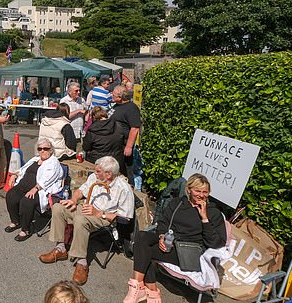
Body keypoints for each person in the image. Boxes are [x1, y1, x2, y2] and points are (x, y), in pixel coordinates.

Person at [122, 174, 226, 303]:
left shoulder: (213, 213)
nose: (201, 195)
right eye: (197, 191)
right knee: (142, 236)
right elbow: (163, 222)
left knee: (144, 251)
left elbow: (217, 243)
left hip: (190, 253)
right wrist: (161, 236)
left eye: (205, 192)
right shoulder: (178, 203)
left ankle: (143, 291)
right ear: (189, 190)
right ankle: (145, 290)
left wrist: (204, 219)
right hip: (171, 242)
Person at [39, 156, 134, 286]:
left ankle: (81, 262)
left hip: (103, 217)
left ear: (109, 173)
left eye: (98, 171)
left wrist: (99, 213)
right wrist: (73, 200)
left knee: (80, 219)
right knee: (58, 208)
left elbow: (125, 218)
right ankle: (60, 248)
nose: (95, 173)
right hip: (86, 209)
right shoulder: (94, 178)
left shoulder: (123, 188)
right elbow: (80, 191)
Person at [5, 138, 64, 242]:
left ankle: (25, 229)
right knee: (11, 195)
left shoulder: (53, 162)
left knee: (27, 200)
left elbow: (48, 179)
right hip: (24, 185)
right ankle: (15, 221)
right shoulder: (35, 159)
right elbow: (24, 169)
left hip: (40, 190)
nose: (42, 151)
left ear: (51, 150)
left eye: (45, 148)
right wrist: (15, 174)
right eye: (40, 148)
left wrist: (35, 188)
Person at [110, 85, 141, 180]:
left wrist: (129, 146)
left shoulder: (131, 108)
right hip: (115, 145)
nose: (111, 96)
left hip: (124, 145)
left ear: (120, 97)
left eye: (114, 95)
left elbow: (134, 128)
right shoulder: (116, 106)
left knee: (126, 172)